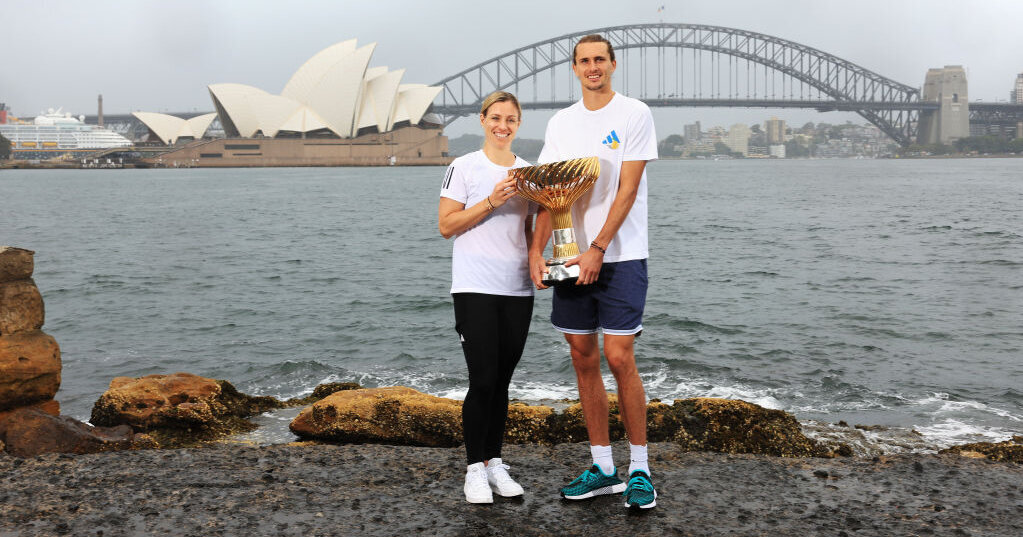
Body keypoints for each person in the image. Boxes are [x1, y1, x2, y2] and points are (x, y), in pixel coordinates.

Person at [529, 34, 659, 509]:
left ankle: (640, 470)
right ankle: (604, 467)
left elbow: (626, 190)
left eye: (599, 60)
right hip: (569, 257)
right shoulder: (562, 123)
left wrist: (599, 247)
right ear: (575, 68)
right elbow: (548, 193)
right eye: (584, 61)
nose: (592, 67)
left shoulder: (634, 114)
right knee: (582, 355)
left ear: (613, 64)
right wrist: (534, 254)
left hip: (620, 254)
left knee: (620, 356)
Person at [438, 91, 535, 504]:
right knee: (482, 380)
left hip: (517, 289)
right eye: (496, 117)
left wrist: (538, 261)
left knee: (503, 382)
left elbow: (533, 229)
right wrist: (492, 200)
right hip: (474, 286)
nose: (503, 126)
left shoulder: (531, 172)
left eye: (511, 119)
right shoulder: (463, 166)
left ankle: (496, 463)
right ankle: (474, 469)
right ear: (482, 120)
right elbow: (446, 225)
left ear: (518, 124)